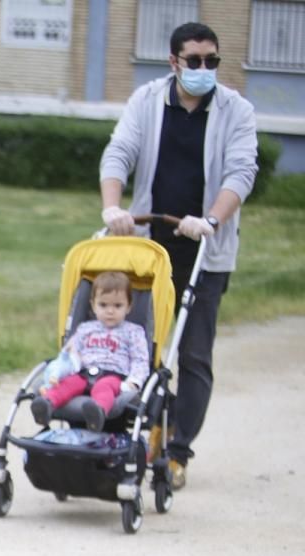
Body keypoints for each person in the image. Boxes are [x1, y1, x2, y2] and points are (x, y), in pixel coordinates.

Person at [98, 21, 258, 489]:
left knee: (192, 354)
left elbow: (241, 172)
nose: (204, 69)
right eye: (195, 61)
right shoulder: (147, 101)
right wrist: (113, 206)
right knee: (137, 345)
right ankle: (137, 432)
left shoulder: (236, 110)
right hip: (150, 246)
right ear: (174, 62)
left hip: (205, 247)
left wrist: (211, 219)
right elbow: (119, 152)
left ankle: (177, 451)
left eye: (213, 61)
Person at [32, 271, 150, 432]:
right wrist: (58, 371)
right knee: (67, 385)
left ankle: (97, 412)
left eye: (117, 306)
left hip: (113, 376)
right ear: (93, 305)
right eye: (103, 305)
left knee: (103, 389)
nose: (110, 311)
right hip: (83, 373)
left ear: (128, 306)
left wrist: (134, 381)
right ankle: (46, 405)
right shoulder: (85, 329)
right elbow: (69, 355)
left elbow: (140, 360)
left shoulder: (133, 332)